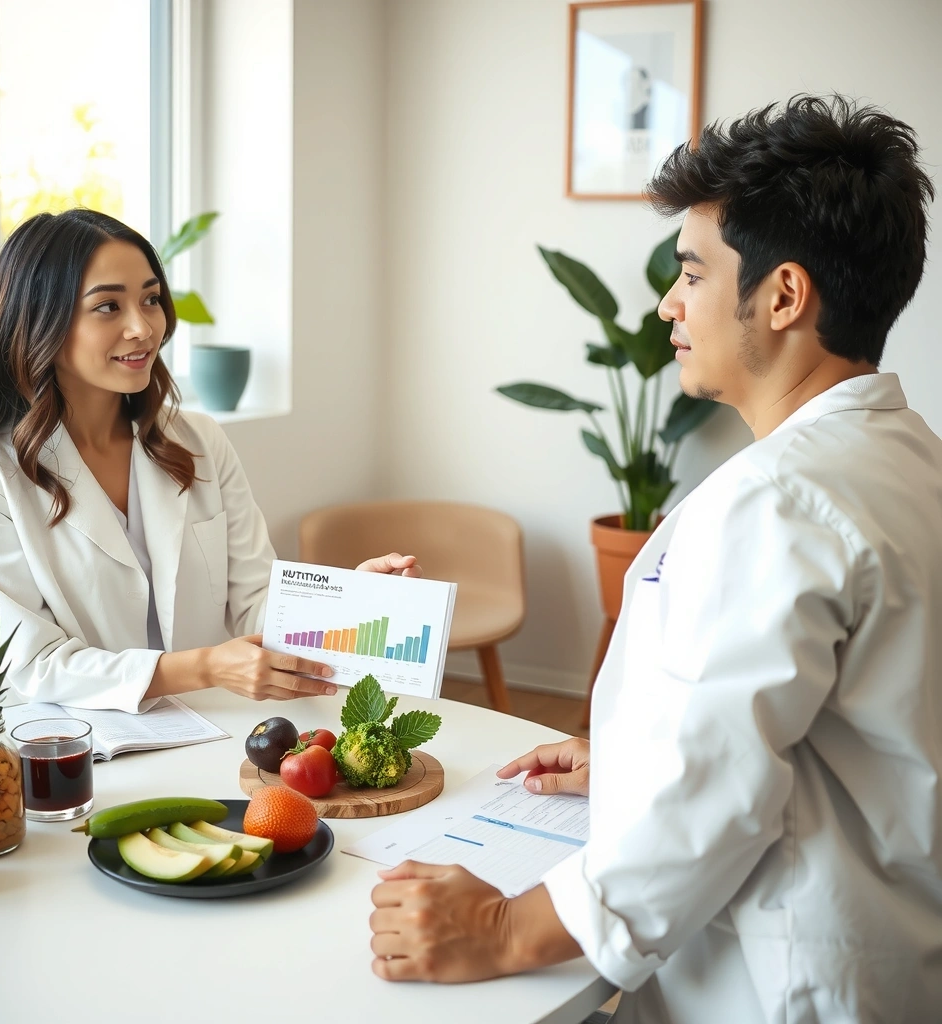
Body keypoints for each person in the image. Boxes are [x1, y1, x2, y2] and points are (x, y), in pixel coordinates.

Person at [369, 95, 942, 1022]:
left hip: (784, 987)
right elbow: (842, 729)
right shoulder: (908, 459)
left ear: (784, 295)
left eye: (692, 272)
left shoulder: (777, 501)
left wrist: (505, 928)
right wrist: (638, 758)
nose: (670, 303)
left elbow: (717, 792)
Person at [0, 209, 419, 714]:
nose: (143, 327)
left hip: (216, 723)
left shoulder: (199, 441)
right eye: (108, 306)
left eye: (151, 299)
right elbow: (33, 663)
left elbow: (257, 605)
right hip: (79, 740)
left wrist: (351, 605)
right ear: (39, 320)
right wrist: (206, 668)